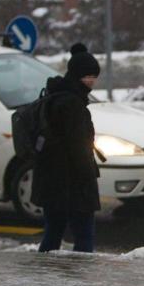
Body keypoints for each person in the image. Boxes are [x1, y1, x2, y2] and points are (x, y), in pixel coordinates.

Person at [33, 43, 101, 253]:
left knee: (54, 231)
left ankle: (45, 272)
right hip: (71, 182)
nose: (91, 80)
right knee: (84, 235)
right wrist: (88, 177)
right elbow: (78, 147)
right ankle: (79, 278)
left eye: (94, 75)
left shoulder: (55, 95)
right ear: (76, 75)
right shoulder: (73, 104)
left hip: (52, 178)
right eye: (86, 75)